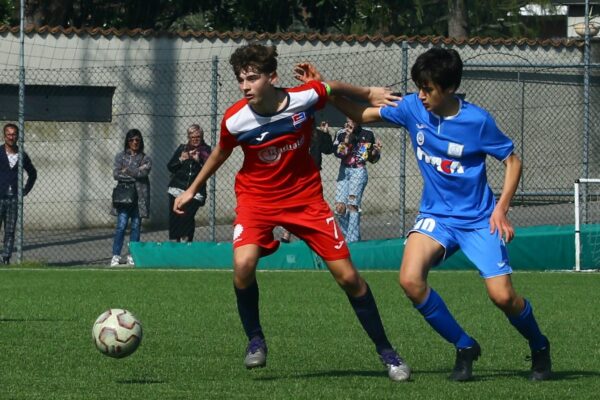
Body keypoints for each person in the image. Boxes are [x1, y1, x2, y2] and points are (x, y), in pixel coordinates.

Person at [295, 48, 551, 382]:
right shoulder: (413, 108)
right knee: (410, 281)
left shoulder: (477, 121)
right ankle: (464, 345)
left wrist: (500, 210)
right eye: (419, 87)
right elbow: (363, 113)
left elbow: (513, 161)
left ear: (448, 89)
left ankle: (539, 345)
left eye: (428, 89)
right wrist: (324, 88)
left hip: (478, 219)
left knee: (503, 296)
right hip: (436, 216)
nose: (421, 95)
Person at [173, 43, 411, 381]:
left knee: (349, 278)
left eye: (252, 78)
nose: (245, 86)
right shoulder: (235, 118)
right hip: (257, 201)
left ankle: (388, 353)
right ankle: (255, 339)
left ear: (272, 77)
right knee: (242, 266)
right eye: (241, 79)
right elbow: (220, 153)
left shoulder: (303, 98)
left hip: (306, 201)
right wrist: (192, 189)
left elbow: (330, 87)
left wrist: (369, 93)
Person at [281, 120, 333, 243]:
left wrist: (326, 134)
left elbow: (328, 149)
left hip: (312, 175)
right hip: (296, 175)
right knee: (292, 204)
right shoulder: (294, 135)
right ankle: (287, 233)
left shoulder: (317, 135)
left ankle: (309, 234)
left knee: (311, 205)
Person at [332, 117, 382, 242]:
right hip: (344, 171)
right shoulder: (341, 133)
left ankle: (352, 241)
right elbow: (339, 154)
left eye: (353, 119)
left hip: (358, 171)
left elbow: (370, 159)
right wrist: (347, 139)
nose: (350, 122)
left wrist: (375, 152)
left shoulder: (367, 133)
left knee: (352, 206)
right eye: (349, 119)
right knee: (339, 208)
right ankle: (350, 237)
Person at [110, 129, 152, 267]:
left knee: (136, 226)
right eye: (132, 140)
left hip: (139, 198)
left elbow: (143, 173)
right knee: (121, 226)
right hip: (124, 197)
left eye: (137, 140)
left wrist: (127, 170)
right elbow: (116, 174)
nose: (135, 143)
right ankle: (116, 256)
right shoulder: (120, 156)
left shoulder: (145, 158)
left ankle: (131, 255)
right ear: (127, 142)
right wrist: (135, 172)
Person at [167, 124, 211, 242]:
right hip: (177, 188)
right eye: (192, 137)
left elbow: (210, 170)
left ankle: (187, 242)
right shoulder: (182, 148)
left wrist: (199, 161)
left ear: (202, 137)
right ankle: (176, 246)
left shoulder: (206, 151)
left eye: (198, 137)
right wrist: (181, 159)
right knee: (175, 219)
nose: (195, 139)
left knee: (187, 217)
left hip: (195, 191)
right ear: (188, 137)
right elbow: (170, 167)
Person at [0, 123, 37, 264]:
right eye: (8, 134)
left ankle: (6, 257)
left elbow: (33, 173)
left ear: (17, 136)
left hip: (14, 198)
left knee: (10, 231)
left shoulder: (22, 155)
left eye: (14, 134)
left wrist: (25, 190)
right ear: (4, 136)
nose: (11, 137)